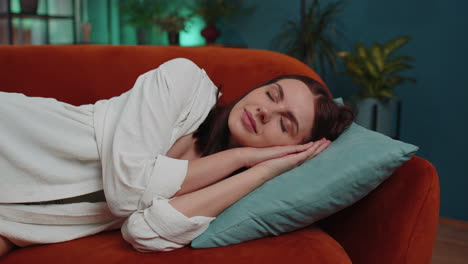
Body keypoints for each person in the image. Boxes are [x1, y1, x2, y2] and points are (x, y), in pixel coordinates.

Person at [0, 58, 354, 256]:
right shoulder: (183, 81)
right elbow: (126, 194)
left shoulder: (228, 190)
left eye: (285, 123)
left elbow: (142, 231)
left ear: (289, 149)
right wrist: (241, 156)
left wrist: (258, 172)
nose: (265, 111)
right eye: (271, 95)